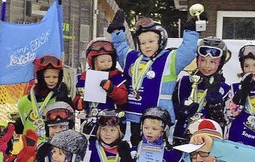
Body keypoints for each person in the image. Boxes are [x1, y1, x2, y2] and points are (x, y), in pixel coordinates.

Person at [107, 9, 202, 146]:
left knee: (157, 152)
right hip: (131, 117)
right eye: (143, 43)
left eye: (151, 41)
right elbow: (120, 47)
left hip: (158, 119)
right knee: (131, 149)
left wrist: (191, 31)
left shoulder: (170, 59)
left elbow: (187, 51)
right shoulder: (132, 57)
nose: (147, 46)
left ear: (161, 40)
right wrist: (117, 31)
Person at [172, 37, 232, 146]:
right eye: (203, 60)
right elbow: (169, 109)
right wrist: (181, 110)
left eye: (213, 62)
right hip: (181, 137)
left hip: (208, 142)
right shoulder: (183, 82)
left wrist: (215, 108)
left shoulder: (225, 89)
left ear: (220, 63)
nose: (207, 66)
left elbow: (225, 121)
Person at [73, 37, 128, 140]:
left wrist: (111, 89)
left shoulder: (117, 78)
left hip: (110, 124)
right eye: (102, 61)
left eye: (109, 60)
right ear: (92, 61)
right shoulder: (84, 78)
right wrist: (79, 103)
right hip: (90, 123)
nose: (106, 64)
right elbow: (77, 96)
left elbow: (123, 98)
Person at [16, 55, 72, 142]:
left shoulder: (61, 99)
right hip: (29, 150)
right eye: (47, 77)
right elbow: (23, 125)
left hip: (53, 149)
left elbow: (70, 125)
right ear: (40, 77)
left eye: (55, 77)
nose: (51, 80)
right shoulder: (24, 101)